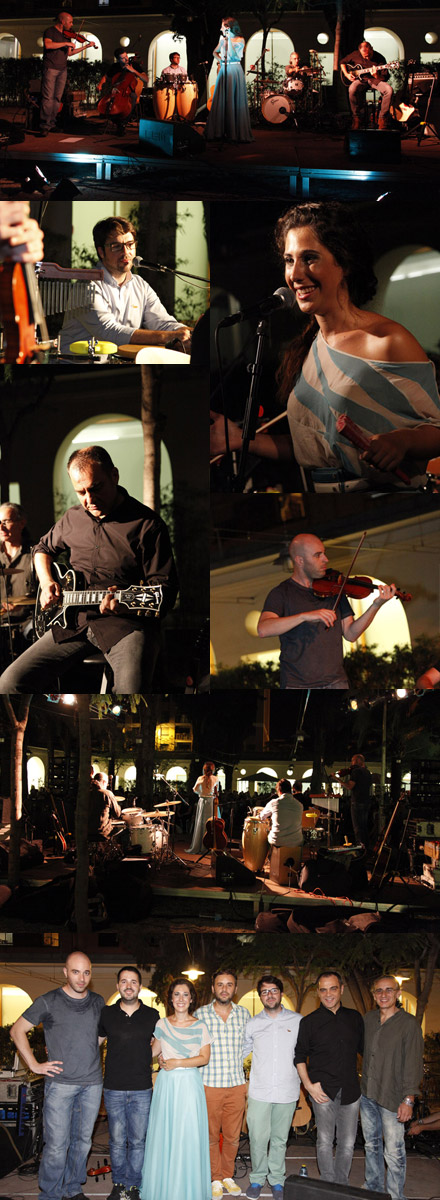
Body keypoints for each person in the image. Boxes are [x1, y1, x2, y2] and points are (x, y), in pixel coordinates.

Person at [210, 202, 440, 490]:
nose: (295, 274)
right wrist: (236, 441)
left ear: (343, 263)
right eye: (289, 260)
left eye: (310, 258)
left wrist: (402, 441)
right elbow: (312, 450)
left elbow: (436, 429)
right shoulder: (308, 348)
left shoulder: (386, 341)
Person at [0, 445, 178, 694]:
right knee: (10, 683)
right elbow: (41, 549)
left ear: (114, 476)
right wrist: (47, 581)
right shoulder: (72, 518)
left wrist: (124, 603)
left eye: (96, 488)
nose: (89, 500)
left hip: (125, 625)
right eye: (80, 492)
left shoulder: (148, 525)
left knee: (132, 693)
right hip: (72, 621)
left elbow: (165, 591)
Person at [10, 952, 104, 1200]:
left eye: (86, 972)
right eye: (75, 972)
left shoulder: (98, 1001)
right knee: (56, 1146)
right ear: (65, 972)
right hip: (60, 1085)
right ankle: (50, 1194)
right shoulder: (48, 1001)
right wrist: (34, 1065)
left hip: (92, 1084)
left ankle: (73, 1188)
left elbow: (101, 1035)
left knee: (82, 1142)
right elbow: (17, 1030)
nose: (81, 978)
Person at [257, 532, 397, 689]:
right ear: (300, 560)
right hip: (297, 685)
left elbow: (351, 634)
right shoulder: (281, 593)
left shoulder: (336, 589)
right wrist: (304, 617)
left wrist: (376, 605)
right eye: (318, 555)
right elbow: (263, 629)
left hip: (337, 682)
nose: (326, 559)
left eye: (324, 553)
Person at [60, 217, 191, 353]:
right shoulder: (87, 285)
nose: (126, 252)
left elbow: (162, 323)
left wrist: (188, 332)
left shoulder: (140, 285)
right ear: (101, 252)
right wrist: (169, 336)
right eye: (116, 246)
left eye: (130, 244)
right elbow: (108, 331)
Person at [140, 976, 211, 1200]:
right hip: (167, 1085)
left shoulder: (200, 1025)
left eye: (185, 994)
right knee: (165, 1135)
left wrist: (177, 1062)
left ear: (192, 999)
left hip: (189, 1085)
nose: (181, 998)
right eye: (177, 994)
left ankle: (187, 1191)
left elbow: (204, 1058)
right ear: (171, 998)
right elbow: (151, 1052)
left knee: (187, 1135)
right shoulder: (162, 1024)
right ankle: (165, 1190)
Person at [294, 970, 364, 1186]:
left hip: (351, 1091)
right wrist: (308, 1087)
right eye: (323, 990)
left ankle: (340, 1185)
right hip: (321, 1091)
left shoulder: (354, 1018)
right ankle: (327, 1184)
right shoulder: (309, 1022)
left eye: (333, 988)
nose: (328, 994)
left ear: (341, 989)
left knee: (348, 1142)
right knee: (324, 1141)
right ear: (318, 993)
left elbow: (367, 1052)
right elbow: (298, 1056)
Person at [360, 974, 424, 1200]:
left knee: (394, 1152)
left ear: (397, 994)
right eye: (379, 990)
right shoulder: (368, 1020)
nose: (383, 994)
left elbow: (414, 1064)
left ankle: (396, 1195)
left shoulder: (409, 1024)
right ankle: (374, 1188)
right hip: (368, 1095)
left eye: (389, 990)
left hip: (393, 1098)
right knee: (371, 1146)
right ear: (374, 995)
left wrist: (409, 1099)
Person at [98, 966, 159, 1200]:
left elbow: (160, 1043)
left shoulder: (152, 1015)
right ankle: (119, 1183)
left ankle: (133, 1185)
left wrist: (148, 1056)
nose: (128, 985)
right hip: (113, 1087)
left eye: (133, 981)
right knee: (116, 1140)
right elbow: (96, 1043)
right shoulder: (106, 1014)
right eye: (124, 981)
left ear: (140, 987)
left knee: (137, 1141)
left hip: (142, 1088)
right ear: (118, 986)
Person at [242, 973, 302, 1199]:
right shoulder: (253, 1024)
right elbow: (242, 1052)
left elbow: (305, 1053)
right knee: (257, 1138)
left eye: (273, 991)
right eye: (265, 992)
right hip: (259, 1091)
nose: (270, 995)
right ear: (260, 996)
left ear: (281, 993)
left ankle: (277, 1180)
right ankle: (257, 1178)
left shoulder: (298, 1021)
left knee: (279, 1139)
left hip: (287, 1091)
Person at [196, 968, 248, 1199]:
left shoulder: (245, 1014)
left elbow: (250, 1045)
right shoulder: (200, 1015)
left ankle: (227, 1175)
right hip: (209, 1085)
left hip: (237, 1086)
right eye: (220, 984)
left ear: (235, 989)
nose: (224, 989)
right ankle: (215, 1178)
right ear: (213, 988)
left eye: (229, 984)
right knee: (209, 1136)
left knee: (232, 1136)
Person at [205, 18, 253, 143]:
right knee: (222, 99)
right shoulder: (222, 39)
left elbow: (235, 55)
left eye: (223, 26)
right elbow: (214, 53)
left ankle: (234, 132)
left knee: (234, 99)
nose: (221, 29)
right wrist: (221, 60)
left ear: (229, 27)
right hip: (225, 69)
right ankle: (220, 131)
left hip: (235, 69)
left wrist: (228, 40)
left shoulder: (240, 39)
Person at [40, 9, 85, 136]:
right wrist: (65, 42)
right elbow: (48, 45)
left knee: (57, 98)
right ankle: (44, 125)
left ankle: (52, 123)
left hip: (62, 69)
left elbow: (69, 53)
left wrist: (85, 47)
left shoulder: (65, 35)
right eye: (70, 22)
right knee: (48, 98)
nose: (71, 25)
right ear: (62, 21)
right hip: (50, 68)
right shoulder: (50, 31)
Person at [0, 503, 36, 659]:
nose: (1, 528)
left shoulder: (36, 554)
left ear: (22, 523)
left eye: (6, 522)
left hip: (28, 622)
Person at [340, 40, 394, 130]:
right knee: (352, 89)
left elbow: (384, 77)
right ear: (360, 51)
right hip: (360, 80)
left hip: (374, 80)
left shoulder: (380, 58)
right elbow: (342, 62)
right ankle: (356, 118)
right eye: (364, 56)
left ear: (372, 49)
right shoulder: (355, 55)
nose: (367, 58)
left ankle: (382, 119)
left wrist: (377, 75)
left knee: (389, 90)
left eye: (369, 55)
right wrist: (347, 74)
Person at [97, 50, 149, 136]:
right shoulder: (115, 67)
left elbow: (146, 79)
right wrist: (100, 84)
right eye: (123, 58)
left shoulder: (134, 65)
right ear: (118, 59)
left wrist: (133, 71)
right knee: (103, 102)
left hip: (129, 92)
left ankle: (122, 124)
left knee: (133, 97)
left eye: (126, 56)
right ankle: (118, 121)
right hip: (116, 91)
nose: (126, 59)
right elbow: (106, 77)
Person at [334, 754, 372, 847]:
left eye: (352, 761)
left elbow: (350, 786)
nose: (351, 763)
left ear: (356, 761)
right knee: (364, 827)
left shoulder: (356, 771)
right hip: (366, 801)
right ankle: (366, 848)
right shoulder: (367, 772)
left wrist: (337, 779)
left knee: (358, 828)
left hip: (357, 801)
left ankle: (360, 848)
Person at [259, 779, 303, 851]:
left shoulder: (274, 803)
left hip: (277, 840)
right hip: (296, 841)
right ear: (291, 790)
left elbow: (262, 816)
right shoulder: (299, 805)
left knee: (266, 835)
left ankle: (269, 858)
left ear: (279, 791)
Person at [187, 761, 220, 854]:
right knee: (211, 823)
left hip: (203, 801)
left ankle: (202, 845)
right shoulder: (216, 778)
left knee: (202, 823)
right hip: (212, 802)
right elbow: (217, 792)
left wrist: (202, 793)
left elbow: (195, 790)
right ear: (213, 769)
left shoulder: (200, 778)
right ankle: (211, 845)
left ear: (204, 769)